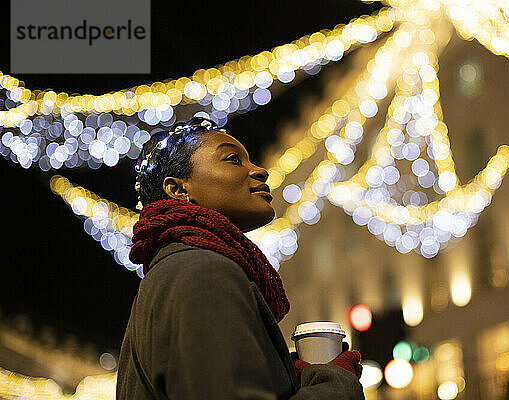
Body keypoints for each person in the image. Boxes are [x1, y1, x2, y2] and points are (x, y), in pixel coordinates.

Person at [116, 117, 365, 399]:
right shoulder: (204, 273)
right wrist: (337, 382)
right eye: (233, 159)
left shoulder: (177, 269)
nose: (260, 171)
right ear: (178, 189)